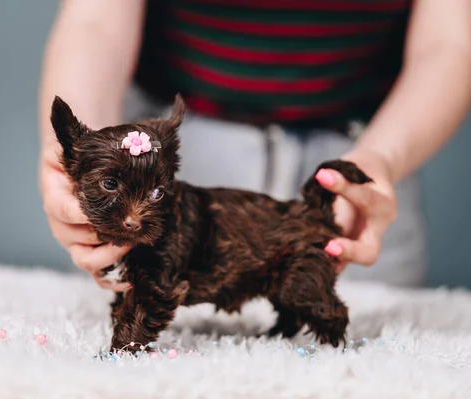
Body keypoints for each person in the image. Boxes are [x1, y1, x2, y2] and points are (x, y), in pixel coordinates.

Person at [38, 0, 471, 292]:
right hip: (169, 163)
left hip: (364, 165)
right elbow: (95, 20)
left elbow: (449, 43)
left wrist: (381, 159)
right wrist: (86, 154)